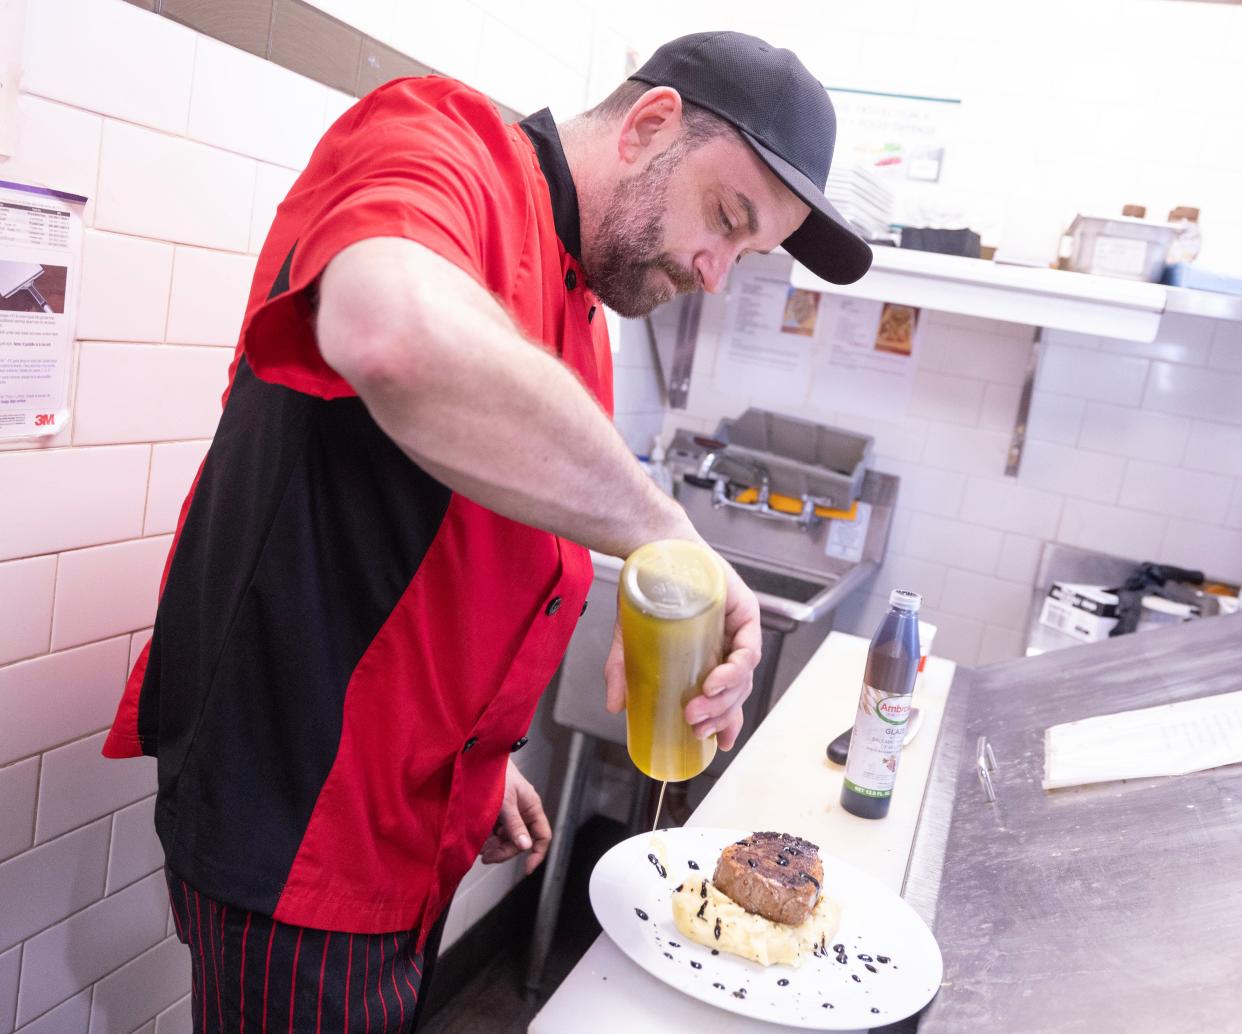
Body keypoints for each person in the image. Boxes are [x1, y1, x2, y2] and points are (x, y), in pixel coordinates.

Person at [102, 29, 871, 1032]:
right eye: (728, 218)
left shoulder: (581, 316)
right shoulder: (434, 142)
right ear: (648, 125)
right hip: (300, 825)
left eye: (748, 253)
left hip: (409, 829)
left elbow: (446, 548)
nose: (717, 273)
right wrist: (663, 529)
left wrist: (475, 756)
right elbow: (392, 331)